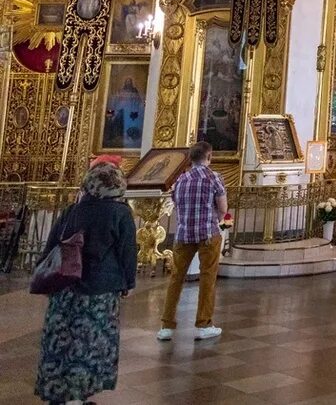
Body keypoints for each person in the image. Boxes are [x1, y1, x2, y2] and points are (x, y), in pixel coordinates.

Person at [35, 162, 137, 405]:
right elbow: (127, 251)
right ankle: (76, 399)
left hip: (65, 286)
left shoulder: (73, 210)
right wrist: (129, 282)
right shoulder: (120, 213)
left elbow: (51, 245)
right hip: (99, 291)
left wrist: (45, 273)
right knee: (89, 343)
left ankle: (58, 392)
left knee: (61, 339)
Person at [158, 141, 227, 342]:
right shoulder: (213, 178)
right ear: (209, 156)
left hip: (183, 234)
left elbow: (176, 203)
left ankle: (166, 326)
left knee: (176, 278)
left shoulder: (180, 179)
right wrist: (216, 217)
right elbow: (223, 207)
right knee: (208, 278)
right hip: (207, 233)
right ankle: (204, 324)